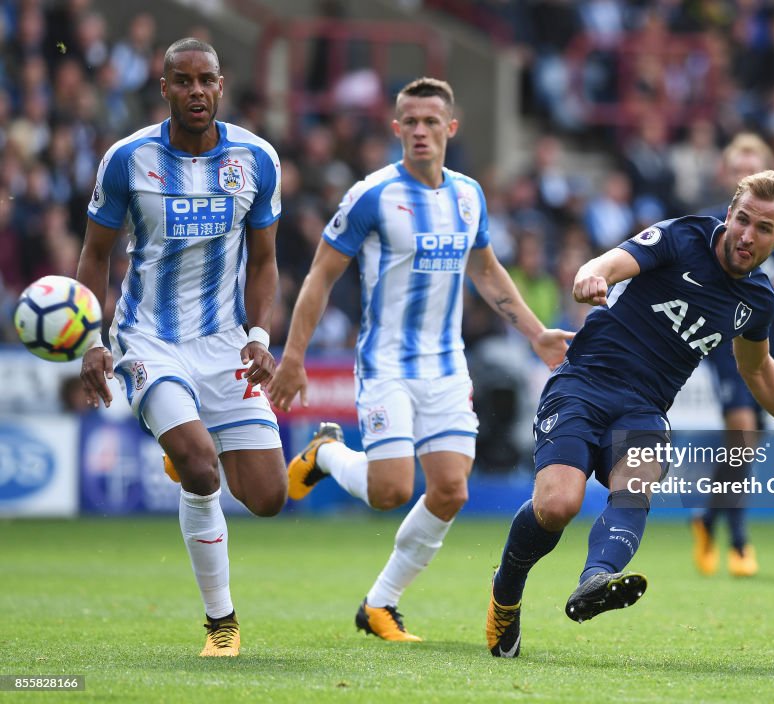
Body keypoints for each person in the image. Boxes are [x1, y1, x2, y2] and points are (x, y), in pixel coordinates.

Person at [486, 170, 774, 658]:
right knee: (558, 506)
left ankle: (595, 582)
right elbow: (611, 261)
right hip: (583, 383)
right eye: (742, 220)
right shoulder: (683, 236)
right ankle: (505, 592)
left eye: (763, 229)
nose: (746, 235)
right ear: (730, 213)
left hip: (645, 408)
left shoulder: (758, 301)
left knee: (636, 483)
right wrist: (593, 274)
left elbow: (757, 371)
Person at [266, 77, 572, 642]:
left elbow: (484, 269)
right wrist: (294, 356)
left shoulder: (468, 195)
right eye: (411, 121)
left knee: (452, 490)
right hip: (386, 365)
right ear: (397, 128)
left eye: (432, 121)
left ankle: (380, 604)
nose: (422, 131)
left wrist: (535, 334)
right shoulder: (372, 195)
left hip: (446, 366)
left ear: (451, 128)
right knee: (389, 491)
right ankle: (327, 453)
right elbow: (320, 276)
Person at [77, 38, 286, 658]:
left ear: (221, 86)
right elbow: (95, 253)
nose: (196, 91)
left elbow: (267, 260)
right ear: (163, 87)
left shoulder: (257, 159)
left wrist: (258, 336)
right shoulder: (127, 159)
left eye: (207, 80)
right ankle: (221, 624)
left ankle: (187, 447)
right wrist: (92, 337)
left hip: (225, 342)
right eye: (183, 80)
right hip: (149, 337)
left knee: (268, 498)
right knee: (200, 465)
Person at [693, 133, 774, 578]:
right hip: (724, 339)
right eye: (737, 171)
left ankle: (708, 518)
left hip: (767, 336)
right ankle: (741, 543)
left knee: (745, 446)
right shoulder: (713, 223)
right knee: (742, 430)